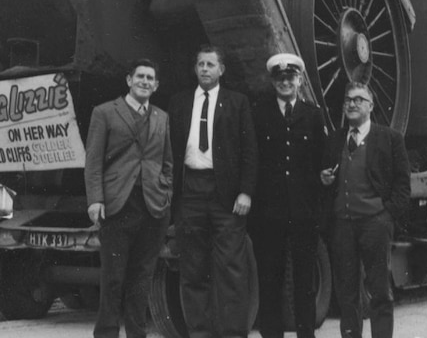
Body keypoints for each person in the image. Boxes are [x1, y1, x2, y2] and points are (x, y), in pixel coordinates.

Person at [169, 44, 258, 338]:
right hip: (191, 191)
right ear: (195, 69)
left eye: (210, 64)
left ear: (222, 69)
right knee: (193, 268)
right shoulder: (180, 102)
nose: (205, 69)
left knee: (231, 269)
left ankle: (234, 333)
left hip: (226, 196)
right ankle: (200, 333)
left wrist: (245, 192)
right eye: (200, 64)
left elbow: (249, 151)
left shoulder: (237, 102)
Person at [84, 58, 173, 338]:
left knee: (142, 279)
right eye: (140, 77)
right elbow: (93, 161)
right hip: (116, 207)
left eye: (150, 78)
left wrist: (165, 192)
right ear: (129, 80)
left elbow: (167, 162)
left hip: (152, 209)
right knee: (112, 279)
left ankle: (138, 334)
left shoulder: (162, 117)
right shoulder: (105, 112)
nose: (145, 82)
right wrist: (95, 199)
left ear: (156, 85)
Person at [320, 82, 410, 338]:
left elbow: (403, 185)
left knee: (380, 292)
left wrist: (386, 216)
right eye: (348, 100)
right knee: (347, 295)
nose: (351, 104)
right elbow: (327, 179)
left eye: (359, 99)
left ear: (370, 106)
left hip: (375, 224)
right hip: (342, 226)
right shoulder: (335, 139)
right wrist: (325, 179)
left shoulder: (390, 138)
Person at [251, 53, 327, 338]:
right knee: (270, 281)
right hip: (269, 215)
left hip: (303, 214)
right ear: (273, 81)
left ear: (299, 80)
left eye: (290, 77)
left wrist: (317, 208)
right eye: (280, 78)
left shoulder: (312, 114)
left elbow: (321, 163)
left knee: (304, 282)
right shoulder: (259, 113)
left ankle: (306, 334)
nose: (285, 82)